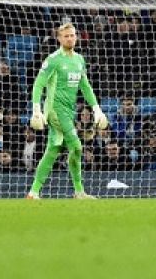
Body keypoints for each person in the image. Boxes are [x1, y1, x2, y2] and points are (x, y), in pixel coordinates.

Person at [26, 22, 109, 199]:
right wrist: (36, 109)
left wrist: (97, 109)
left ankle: (33, 192)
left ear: (76, 37)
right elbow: (38, 84)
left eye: (72, 35)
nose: (70, 38)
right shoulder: (53, 60)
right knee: (77, 147)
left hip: (69, 112)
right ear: (59, 38)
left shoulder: (79, 60)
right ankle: (79, 191)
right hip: (55, 111)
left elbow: (85, 86)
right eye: (66, 36)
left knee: (53, 151)